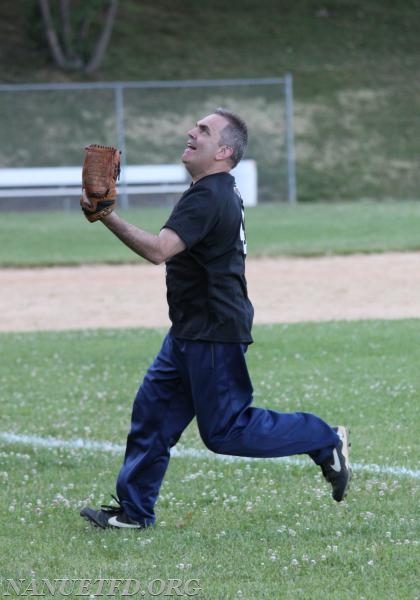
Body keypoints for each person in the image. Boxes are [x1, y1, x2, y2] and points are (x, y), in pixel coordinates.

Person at [80, 107, 351, 529]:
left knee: (226, 431)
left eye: (203, 131)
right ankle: (134, 513)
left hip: (213, 331)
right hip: (189, 329)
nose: (191, 132)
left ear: (224, 151)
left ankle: (324, 438)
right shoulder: (212, 191)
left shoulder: (210, 194)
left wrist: (106, 216)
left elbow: (158, 250)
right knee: (152, 416)